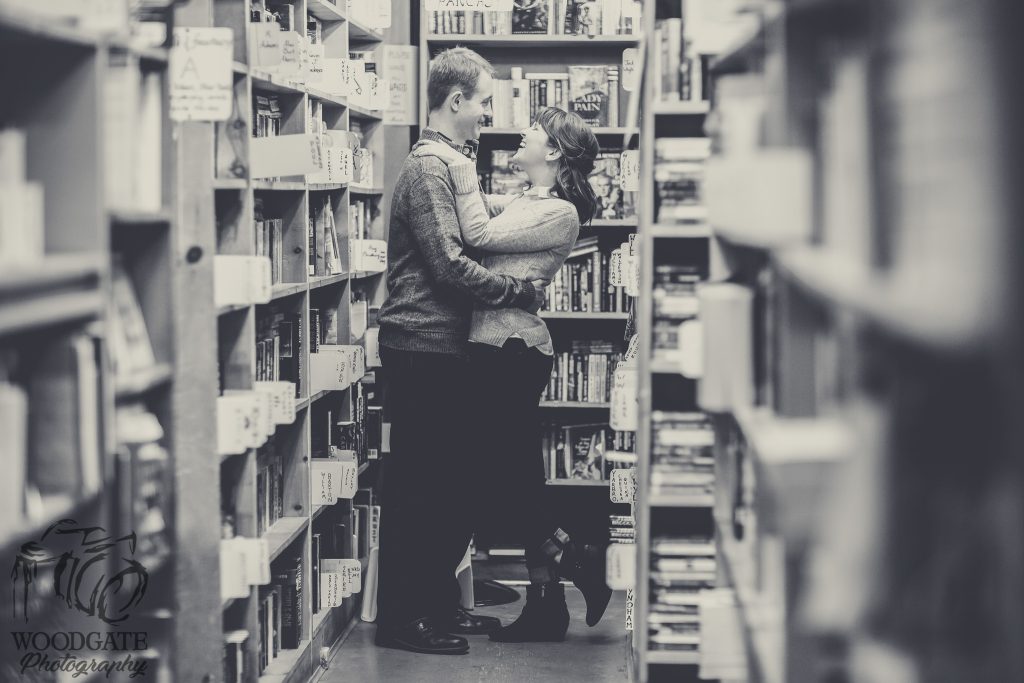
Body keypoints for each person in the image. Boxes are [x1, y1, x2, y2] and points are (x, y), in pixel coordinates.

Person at [373, 47, 548, 656]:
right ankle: (403, 619)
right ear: (455, 101)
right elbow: (449, 264)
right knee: (418, 486)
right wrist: (517, 291)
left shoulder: (452, 162)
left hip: (444, 346)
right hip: (420, 344)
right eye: (482, 102)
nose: (486, 114)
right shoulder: (429, 167)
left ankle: (436, 603)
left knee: (447, 485)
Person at [414, 106, 612, 643]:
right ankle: (548, 604)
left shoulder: (560, 212)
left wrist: (454, 162)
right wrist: (451, 163)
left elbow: (476, 232)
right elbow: (478, 206)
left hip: (513, 351)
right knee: (519, 476)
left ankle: (578, 553)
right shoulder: (529, 200)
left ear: (554, 151)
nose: (523, 134)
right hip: (497, 347)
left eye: (535, 130)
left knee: (501, 477)